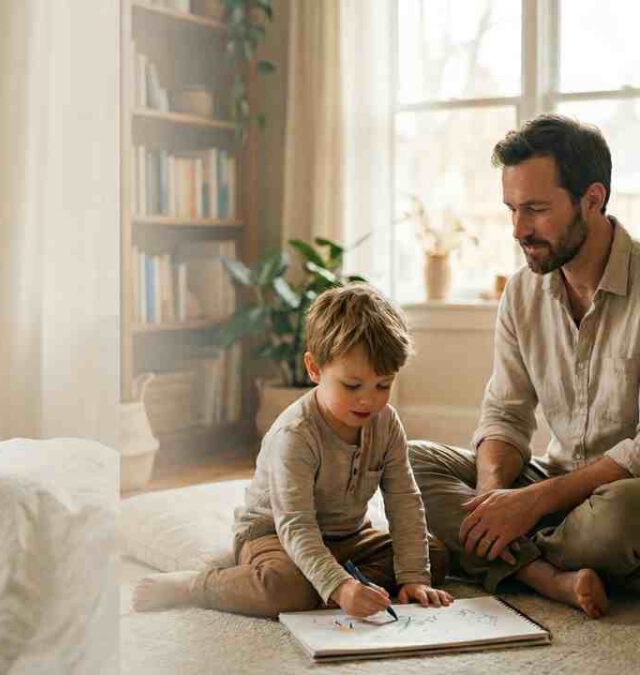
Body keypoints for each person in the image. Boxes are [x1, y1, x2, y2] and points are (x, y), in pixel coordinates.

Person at [409, 114, 640, 620]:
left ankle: (497, 559)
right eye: (512, 209)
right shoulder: (522, 291)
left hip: (618, 493)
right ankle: (547, 576)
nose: (518, 230)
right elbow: (506, 414)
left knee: (626, 516)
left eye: (535, 209)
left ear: (593, 199)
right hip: (553, 483)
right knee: (409, 462)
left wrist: (531, 505)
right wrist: (494, 499)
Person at [133, 284, 452, 617]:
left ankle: (329, 585)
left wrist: (414, 577)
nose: (368, 399)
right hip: (277, 535)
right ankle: (197, 585)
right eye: (352, 385)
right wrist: (342, 588)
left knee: (433, 554)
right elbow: (295, 525)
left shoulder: (386, 423)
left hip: (348, 536)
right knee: (284, 590)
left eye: (383, 385)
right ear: (314, 369)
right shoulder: (296, 433)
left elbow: (404, 499)